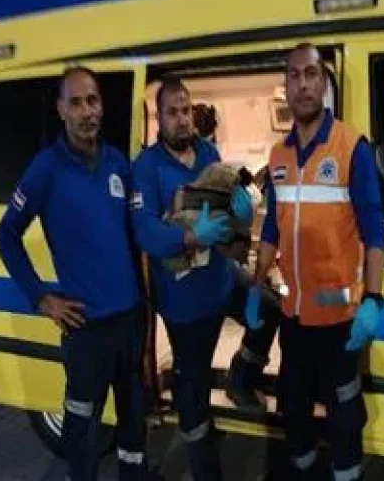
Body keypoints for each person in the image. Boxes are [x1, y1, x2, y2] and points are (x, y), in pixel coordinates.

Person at [0, 66, 150, 481]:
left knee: (134, 420)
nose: (86, 111)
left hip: (129, 323)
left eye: (93, 101)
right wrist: (42, 298)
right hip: (87, 330)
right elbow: (6, 235)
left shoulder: (117, 163)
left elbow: (135, 231)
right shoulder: (46, 168)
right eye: (76, 103)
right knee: (81, 432)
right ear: (62, 109)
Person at [246, 43, 384, 480]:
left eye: (311, 74)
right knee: (295, 412)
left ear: (324, 83)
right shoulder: (278, 157)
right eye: (294, 75)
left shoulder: (351, 147)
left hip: (341, 322)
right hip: (294, 319)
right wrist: (256, 283)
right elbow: (272, 229)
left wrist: (374, 299)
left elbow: (374, 232)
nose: (302, 84)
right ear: (285, 86)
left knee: (344, 420)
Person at [130, 77, 280, 481]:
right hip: (185, 304)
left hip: (222, 279)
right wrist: (191, 237)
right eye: (172, 112)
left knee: (269, 309)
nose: (182, 119)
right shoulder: (146, 167)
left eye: (186, 110)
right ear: (159, 117)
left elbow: (231, 206)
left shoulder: (208, 152)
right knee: (192, 391)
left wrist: (243, 209)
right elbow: (144, 230)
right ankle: (204, 467)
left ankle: (240, 380)